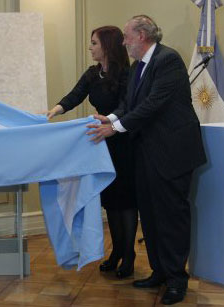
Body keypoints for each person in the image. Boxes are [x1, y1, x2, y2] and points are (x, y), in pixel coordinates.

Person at [87, 15, 206, 305]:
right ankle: (160, 272)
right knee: (151, 217)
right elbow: (130, 104)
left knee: (172, 218)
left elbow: (153, 105)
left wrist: (113, 128)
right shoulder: (139, 66)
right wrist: (111, 117)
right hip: (147, 153)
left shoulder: (168, 60)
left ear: (141, 36)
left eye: (127, 36)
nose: (124, 42)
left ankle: (177, 281)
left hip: (172, 153)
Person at [47, 26, 137, 279]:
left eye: (94, 43)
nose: (90, 47)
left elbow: (126, 106)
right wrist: (55, 110)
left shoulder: (127, 74)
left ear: (107, 46)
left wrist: (108, 121)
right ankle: (116, 252)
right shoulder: (92, 74)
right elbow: (75, 95)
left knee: (126, 202)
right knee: (109, 200)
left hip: (123, 140)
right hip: (101, 143)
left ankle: (128, 256)